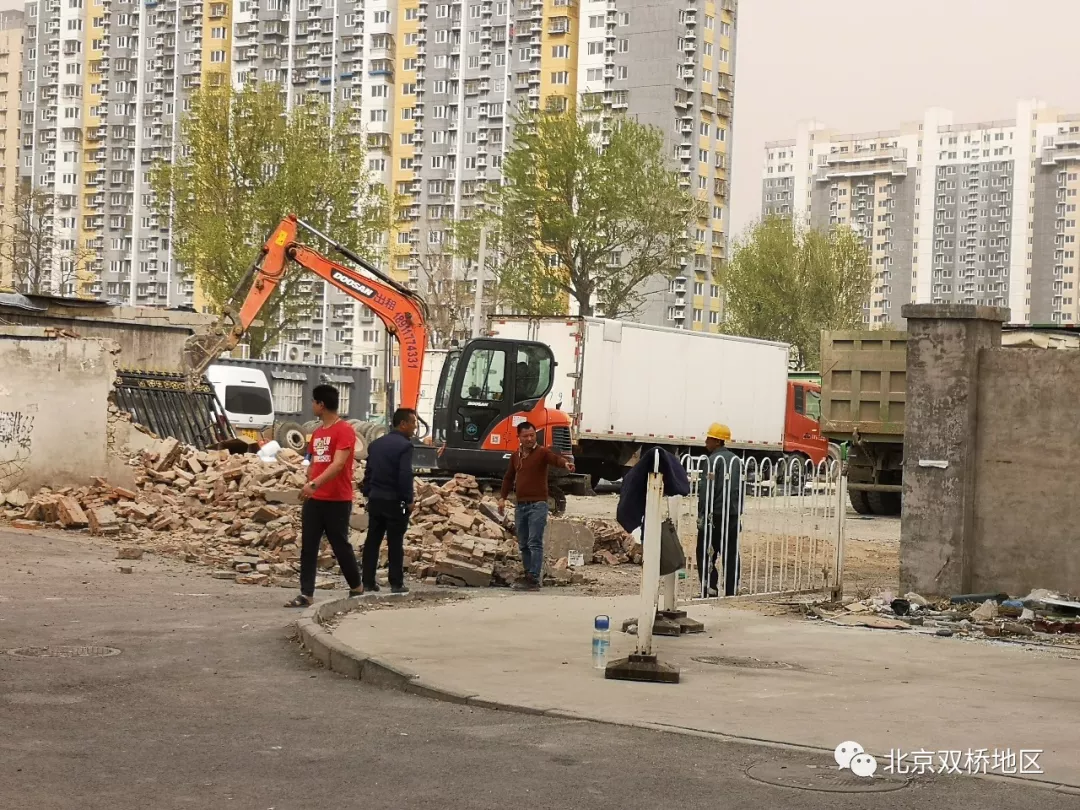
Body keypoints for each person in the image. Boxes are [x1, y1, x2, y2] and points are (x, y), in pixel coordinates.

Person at [285, 384, 362, 608]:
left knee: (340, 545)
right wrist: (309, 475)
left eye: (313, 402)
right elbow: (314, 460)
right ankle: (306, 594)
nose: (312, 406)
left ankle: (357, 588)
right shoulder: (317, 433)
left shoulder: (344, 430)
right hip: (314, 499)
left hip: (337, 499)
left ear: (321, 404)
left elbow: (338, 464)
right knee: (309, 546)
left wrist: (315, 483)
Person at [499, 421, 575, 591]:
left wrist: (565, 464)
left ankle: (534, 578)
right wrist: (502, 498)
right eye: (526, 436)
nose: (530, 439)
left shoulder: (541, 453)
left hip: (538, 505)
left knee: (535, 542)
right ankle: (528, 575)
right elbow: (508, 478)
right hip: (521, 506)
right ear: (518, 437)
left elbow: (554, 459)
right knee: (524, 543)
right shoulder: (515, 457)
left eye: (532, 435)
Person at [361, 407, 418, 595]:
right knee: (395, 542)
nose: (415, 428)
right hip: (394, 502)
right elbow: (404, 475)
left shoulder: (376, 445)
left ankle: (368, 581)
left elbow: (368, 473)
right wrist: (408, 499)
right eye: (413, 423)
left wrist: (369, 493)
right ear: (403, 424)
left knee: (372, 541)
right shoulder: (405, 446)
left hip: (376, 500)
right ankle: (396, 583)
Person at [697, 422, 742, 597]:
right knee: (730, 552)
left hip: (714, 514)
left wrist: (702, 513)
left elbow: (706, 490)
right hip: (732, 515)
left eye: (709, 439)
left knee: (705, 551)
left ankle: (710, 586)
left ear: (717, 441)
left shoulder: (713, 460)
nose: (706, 442)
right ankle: (731, 588)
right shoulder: (737, 461)